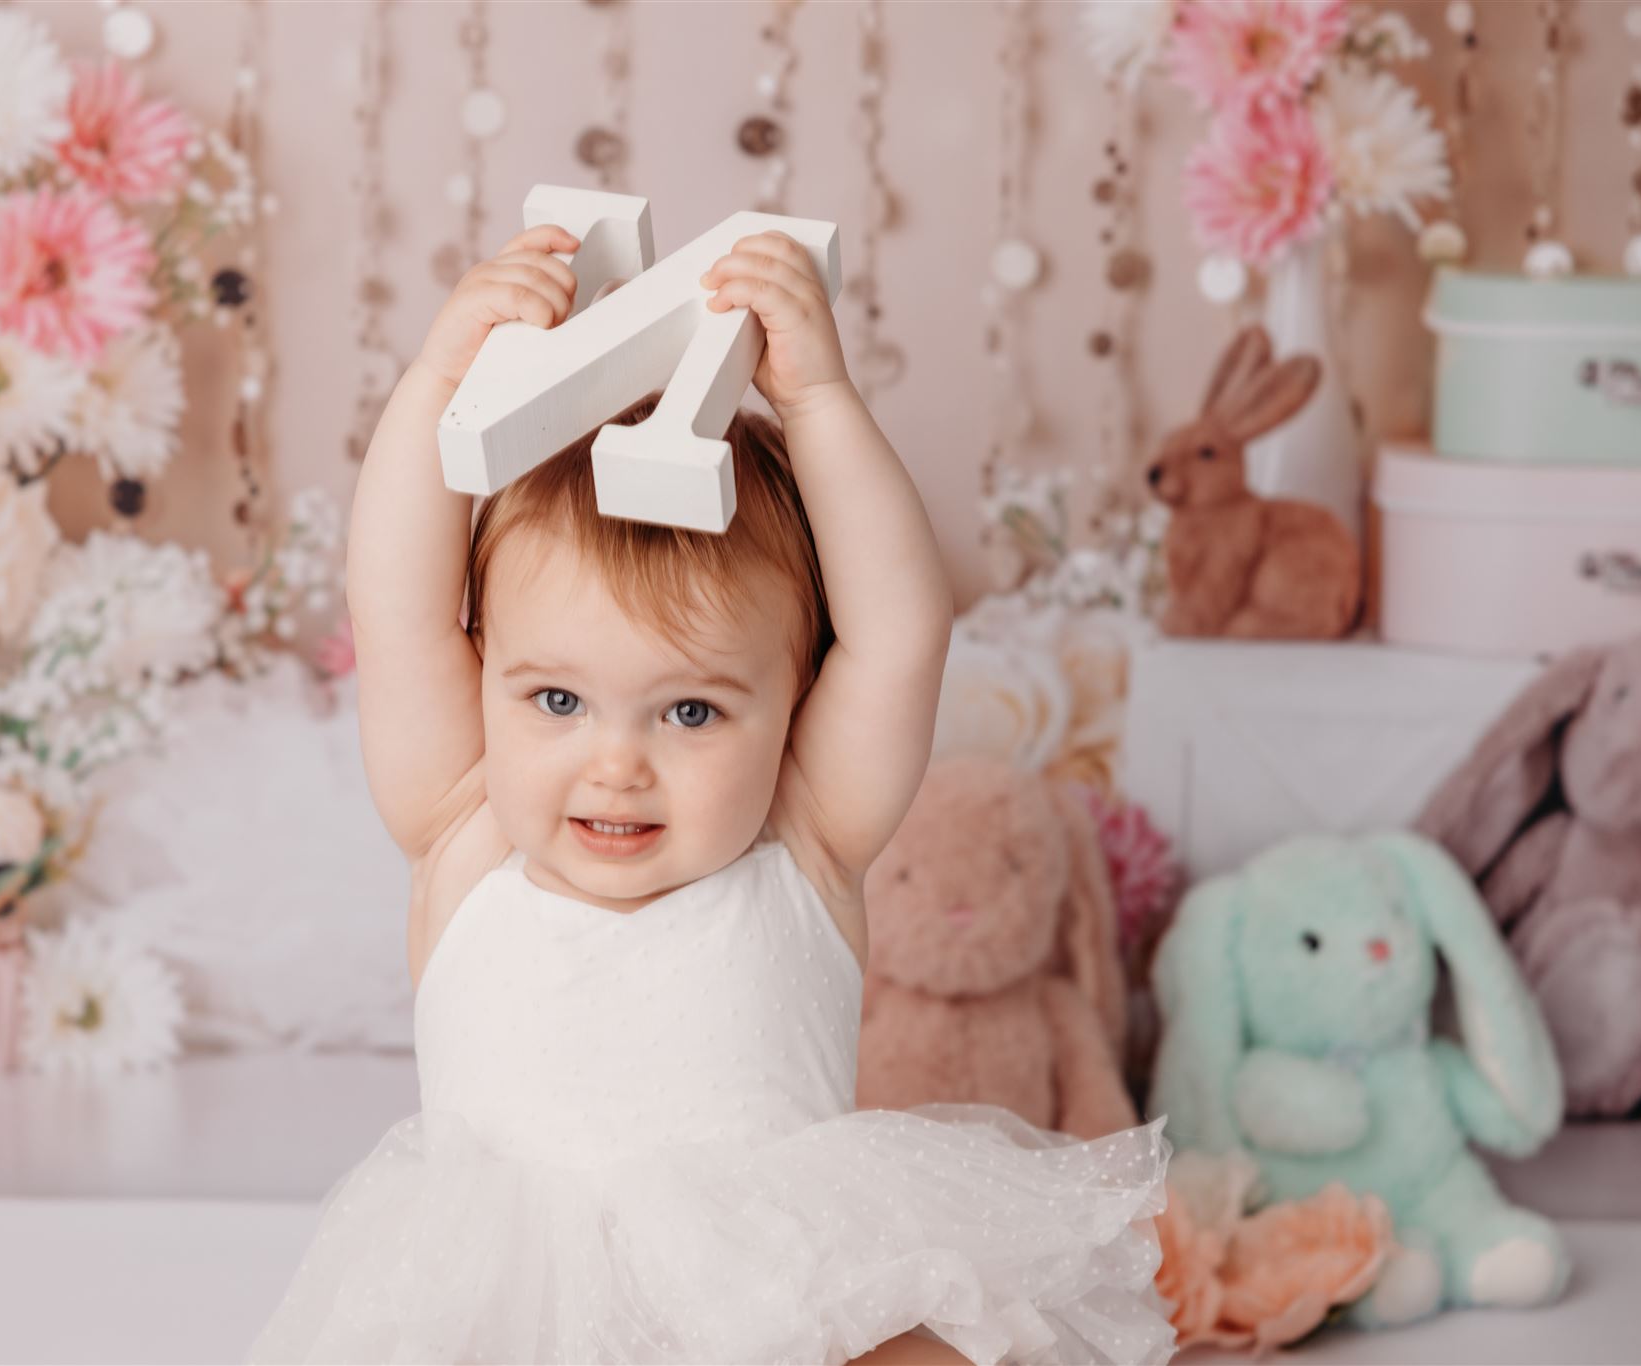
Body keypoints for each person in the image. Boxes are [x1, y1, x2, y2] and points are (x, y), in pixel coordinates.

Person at [249, 224, 1175, 1366]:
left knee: (936, 1347)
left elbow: (900, 631)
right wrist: (441, 382)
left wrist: (821, 399)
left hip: (769, 1311)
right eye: (554, 701)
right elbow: (391, 606)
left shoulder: (801, 837)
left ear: (792, 702)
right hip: (515, 1328)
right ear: (483, 665)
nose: (615, 763)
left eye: (688, 712)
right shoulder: (465, 825)